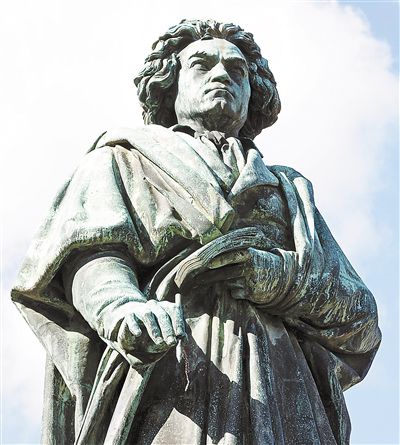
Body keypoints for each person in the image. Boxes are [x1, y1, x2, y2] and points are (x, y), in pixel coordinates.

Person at [12, 19, 381, 445]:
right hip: (172, 374)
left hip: (282, 392)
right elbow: (91, 255)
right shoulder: (122, 161)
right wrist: (122, 309)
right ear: (169, 84)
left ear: (253, 93)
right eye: (202, 65)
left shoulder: (291, 192)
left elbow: (360, 320)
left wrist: (281, 281)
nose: (222, 74)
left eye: (237, 70)